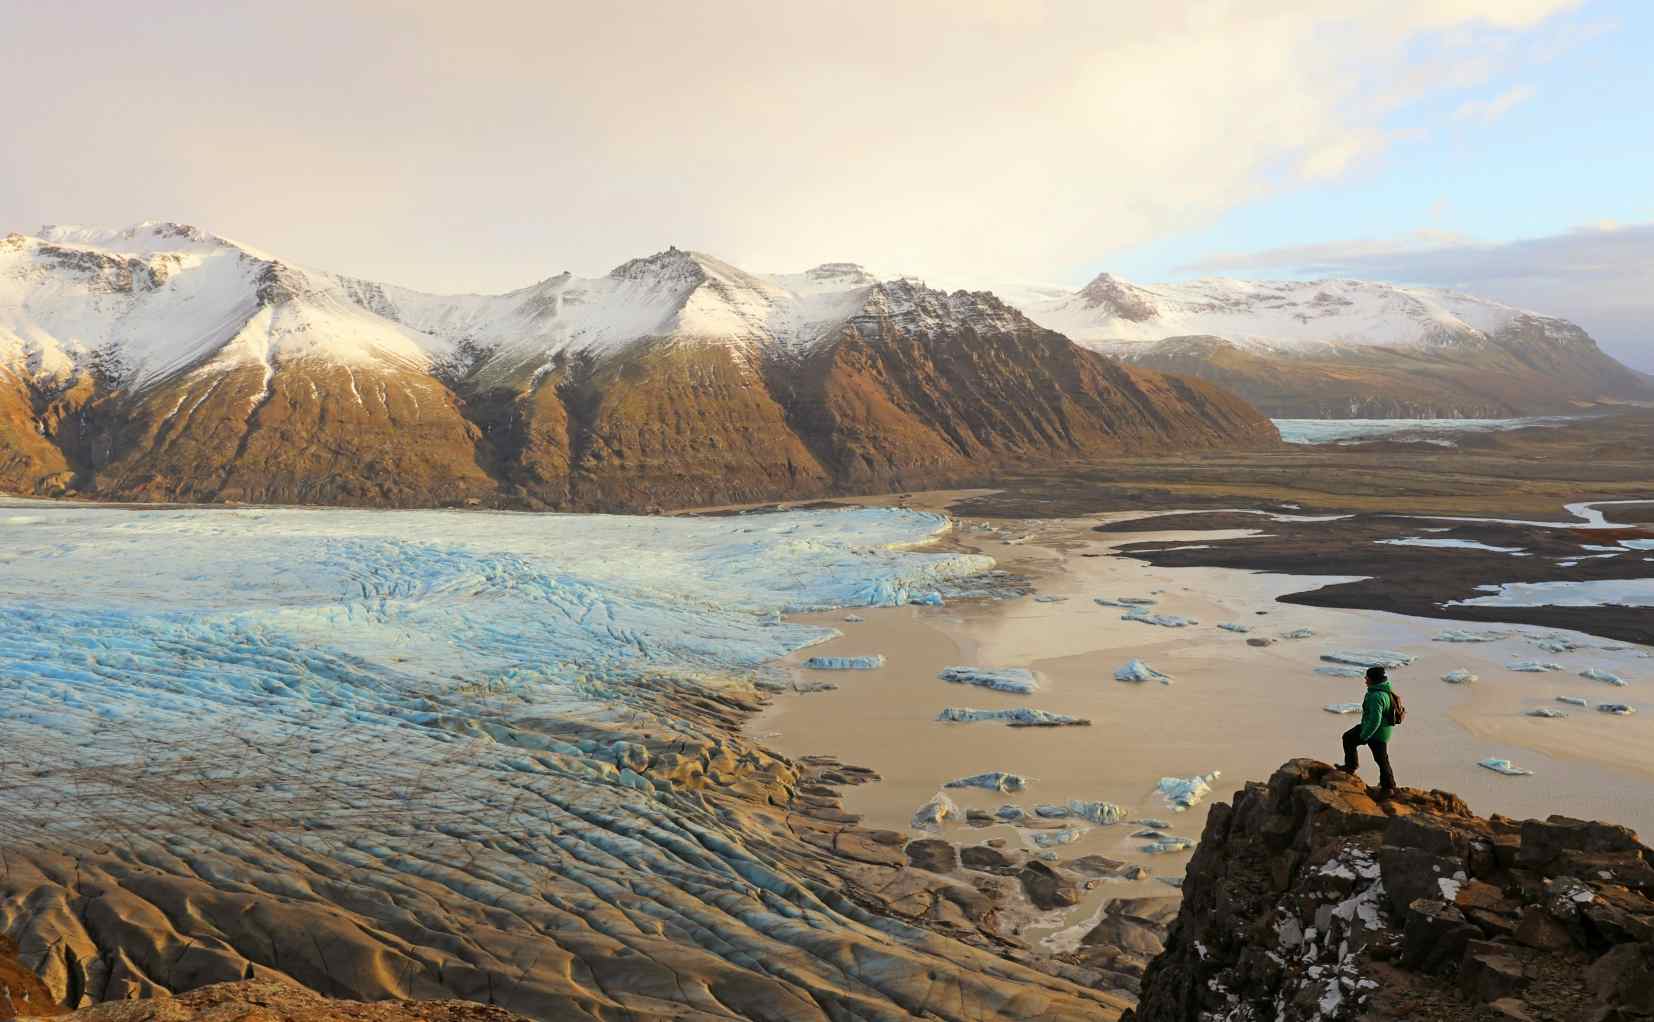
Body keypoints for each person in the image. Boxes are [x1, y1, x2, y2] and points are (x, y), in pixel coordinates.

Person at [1338, 666, 1397, 796]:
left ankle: (1388, 787)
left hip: (1376, 732)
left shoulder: (1376, 696)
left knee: (1381, 759)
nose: (1365, 679)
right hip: (1380, 729)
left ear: (1373, 679)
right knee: (1349, 738)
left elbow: (1375, 719)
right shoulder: (1385, 690)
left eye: (1367, 677)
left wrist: (1365, 735)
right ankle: (1351, 766)